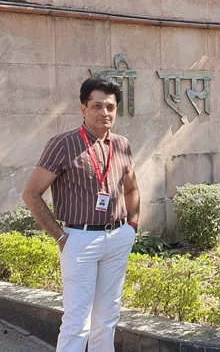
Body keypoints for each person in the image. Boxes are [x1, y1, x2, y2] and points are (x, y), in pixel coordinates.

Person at [22, 76, 140, 352]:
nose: (104, 112)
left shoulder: (122, 144)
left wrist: (132, 226)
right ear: (83, 109)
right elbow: (31, 194)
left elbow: (132, 188)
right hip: (79, 240)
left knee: (107, 317)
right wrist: (62, 237)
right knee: (77, 321)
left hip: (117, 238)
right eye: (97, 106)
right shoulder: (63, 144)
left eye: (110, 107)